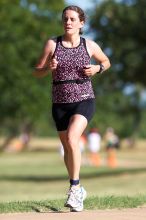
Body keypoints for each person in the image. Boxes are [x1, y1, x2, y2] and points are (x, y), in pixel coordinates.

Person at [33, 5, 110, 212]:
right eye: (65, 18)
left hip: (84, 99)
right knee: (68, 148)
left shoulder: (89, 45)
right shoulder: (52, 44)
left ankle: (74, 189)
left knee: (72, 138)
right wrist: (48, 68)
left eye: (73, 19)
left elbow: (106, 61)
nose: (68, 22)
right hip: (59, 103)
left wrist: (97, 68)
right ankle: (78, 187)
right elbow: (37, 71)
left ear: (81, 23)